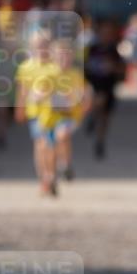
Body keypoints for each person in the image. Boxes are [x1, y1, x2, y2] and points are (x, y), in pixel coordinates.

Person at [37, 38, 91, 183]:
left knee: (62, 134)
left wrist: (82, 106)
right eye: (60, 56)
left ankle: (65, 164)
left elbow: (86, 94)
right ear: (53, 56)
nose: (63, 59)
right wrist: (44, 95)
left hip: (69, 115)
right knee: (49, 147)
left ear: (72, 57)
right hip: (48, 116)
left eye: (66, 55)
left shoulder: (76, 74)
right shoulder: (47, 73)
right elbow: (37, 94)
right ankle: (50, 176)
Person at [14, 29, 59, 196]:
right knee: (40, 145)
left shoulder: (56, 67)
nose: (42, 48)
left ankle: (52, 174)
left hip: (54, 114)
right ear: (32, 47)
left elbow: (65, 88)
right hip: (35, 113)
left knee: (51, 146)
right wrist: (19, 108)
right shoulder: (26, 67)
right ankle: (44, 179)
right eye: (38, 45)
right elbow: (22, 90)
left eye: (45, 45)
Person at [84, 20, 125, 159]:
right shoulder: (93, 48)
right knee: (98, 100)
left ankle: (100, 141)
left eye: (109, 33)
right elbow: (85, 67)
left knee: (105, 118)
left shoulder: (114, 50)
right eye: (103, 33)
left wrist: (112, 67)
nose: (106, 36)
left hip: (109, 86)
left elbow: (121, 71)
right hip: (95, 84)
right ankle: (92, 117)